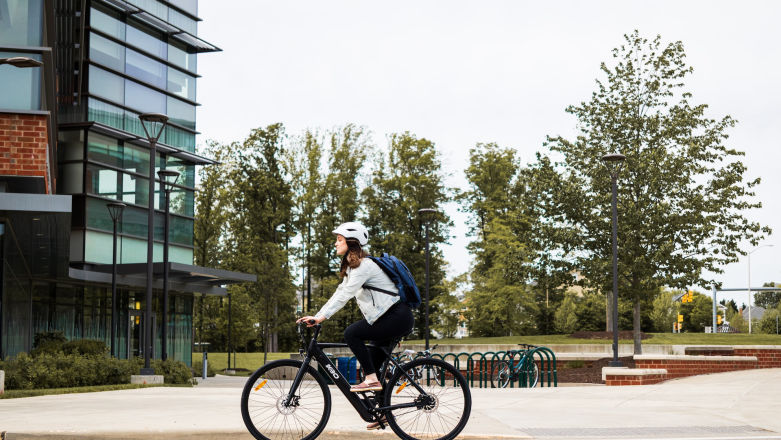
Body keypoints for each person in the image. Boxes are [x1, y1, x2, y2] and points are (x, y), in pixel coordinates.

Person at [296, 221, 415, 398]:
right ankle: (382, 413)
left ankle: (372, 379)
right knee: (370, 368)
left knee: (351, 333)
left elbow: (346, 295)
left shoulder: (363, 266)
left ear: (351, 242)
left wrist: (321, 318)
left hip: (396, 317)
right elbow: (340, 292)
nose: (336, 243)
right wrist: (318, 315)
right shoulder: (354, 268)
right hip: (388, 318)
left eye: (339, 239)